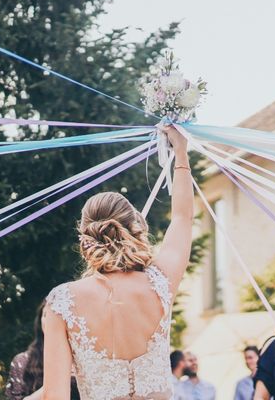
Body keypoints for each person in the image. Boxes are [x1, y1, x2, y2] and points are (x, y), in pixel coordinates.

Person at [43, 126, 193, 400]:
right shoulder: (161, 281)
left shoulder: (62, 302)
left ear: (85, 236)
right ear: (133, 227)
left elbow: (55, 396)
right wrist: (181, 153)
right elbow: (183, 218)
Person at [5, 300, 80, 400]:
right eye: (45, 314)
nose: (50, 320)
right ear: (40, 321)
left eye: (57, 315)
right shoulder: (23, 361)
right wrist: (58, 380)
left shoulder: (83, 359)